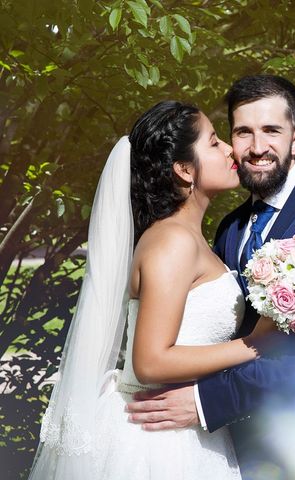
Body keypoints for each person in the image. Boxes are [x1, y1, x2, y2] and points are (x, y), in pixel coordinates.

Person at [127, 76, 295, 479]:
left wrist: (204, 402)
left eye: (271, 131)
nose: (257, 147)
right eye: (243, 132)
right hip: (230, 450)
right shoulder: (229, 227)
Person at [29, 100, 274, 480]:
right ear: (183, 169)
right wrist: (253, 344)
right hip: (157, 445)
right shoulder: (172, 241)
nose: (230, 149)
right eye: (213, 143)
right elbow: (149, 362)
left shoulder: (191, 236)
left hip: (185, 429)